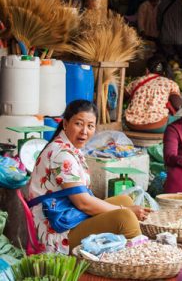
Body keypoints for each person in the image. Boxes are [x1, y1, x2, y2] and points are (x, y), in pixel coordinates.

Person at [28, 100, 150, 254]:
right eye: (79, 124)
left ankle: (129, 252)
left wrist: (124, 207)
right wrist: (126, 210)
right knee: (125, 217)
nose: (84, 131)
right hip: (55, 230)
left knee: (124, 200)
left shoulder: (68, 147)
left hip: (68, 215)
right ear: (65, 124)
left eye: (90, 126)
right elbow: (84, 204)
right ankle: (141, 258)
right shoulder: (62, 154)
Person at [125, 55, 182, 133]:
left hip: (132, 124)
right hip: (157, 125)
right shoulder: (170, 83)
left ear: (147, 70)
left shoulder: (136, 82)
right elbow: (178, 105)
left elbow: (122, 98)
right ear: (164, 71)